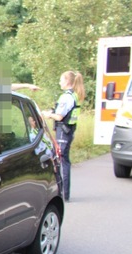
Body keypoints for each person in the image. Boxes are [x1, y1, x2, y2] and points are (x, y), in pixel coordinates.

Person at [42, 71, 84, 201]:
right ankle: (64, 193)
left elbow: (59, 116)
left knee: (60, 161)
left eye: (61, 80)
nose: (60, 82)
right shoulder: (74, 95)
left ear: (67, 82)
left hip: (63, 133)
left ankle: (62, 193)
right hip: (68, 132)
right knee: (63, 161)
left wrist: (47, 114)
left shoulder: (66, 97)